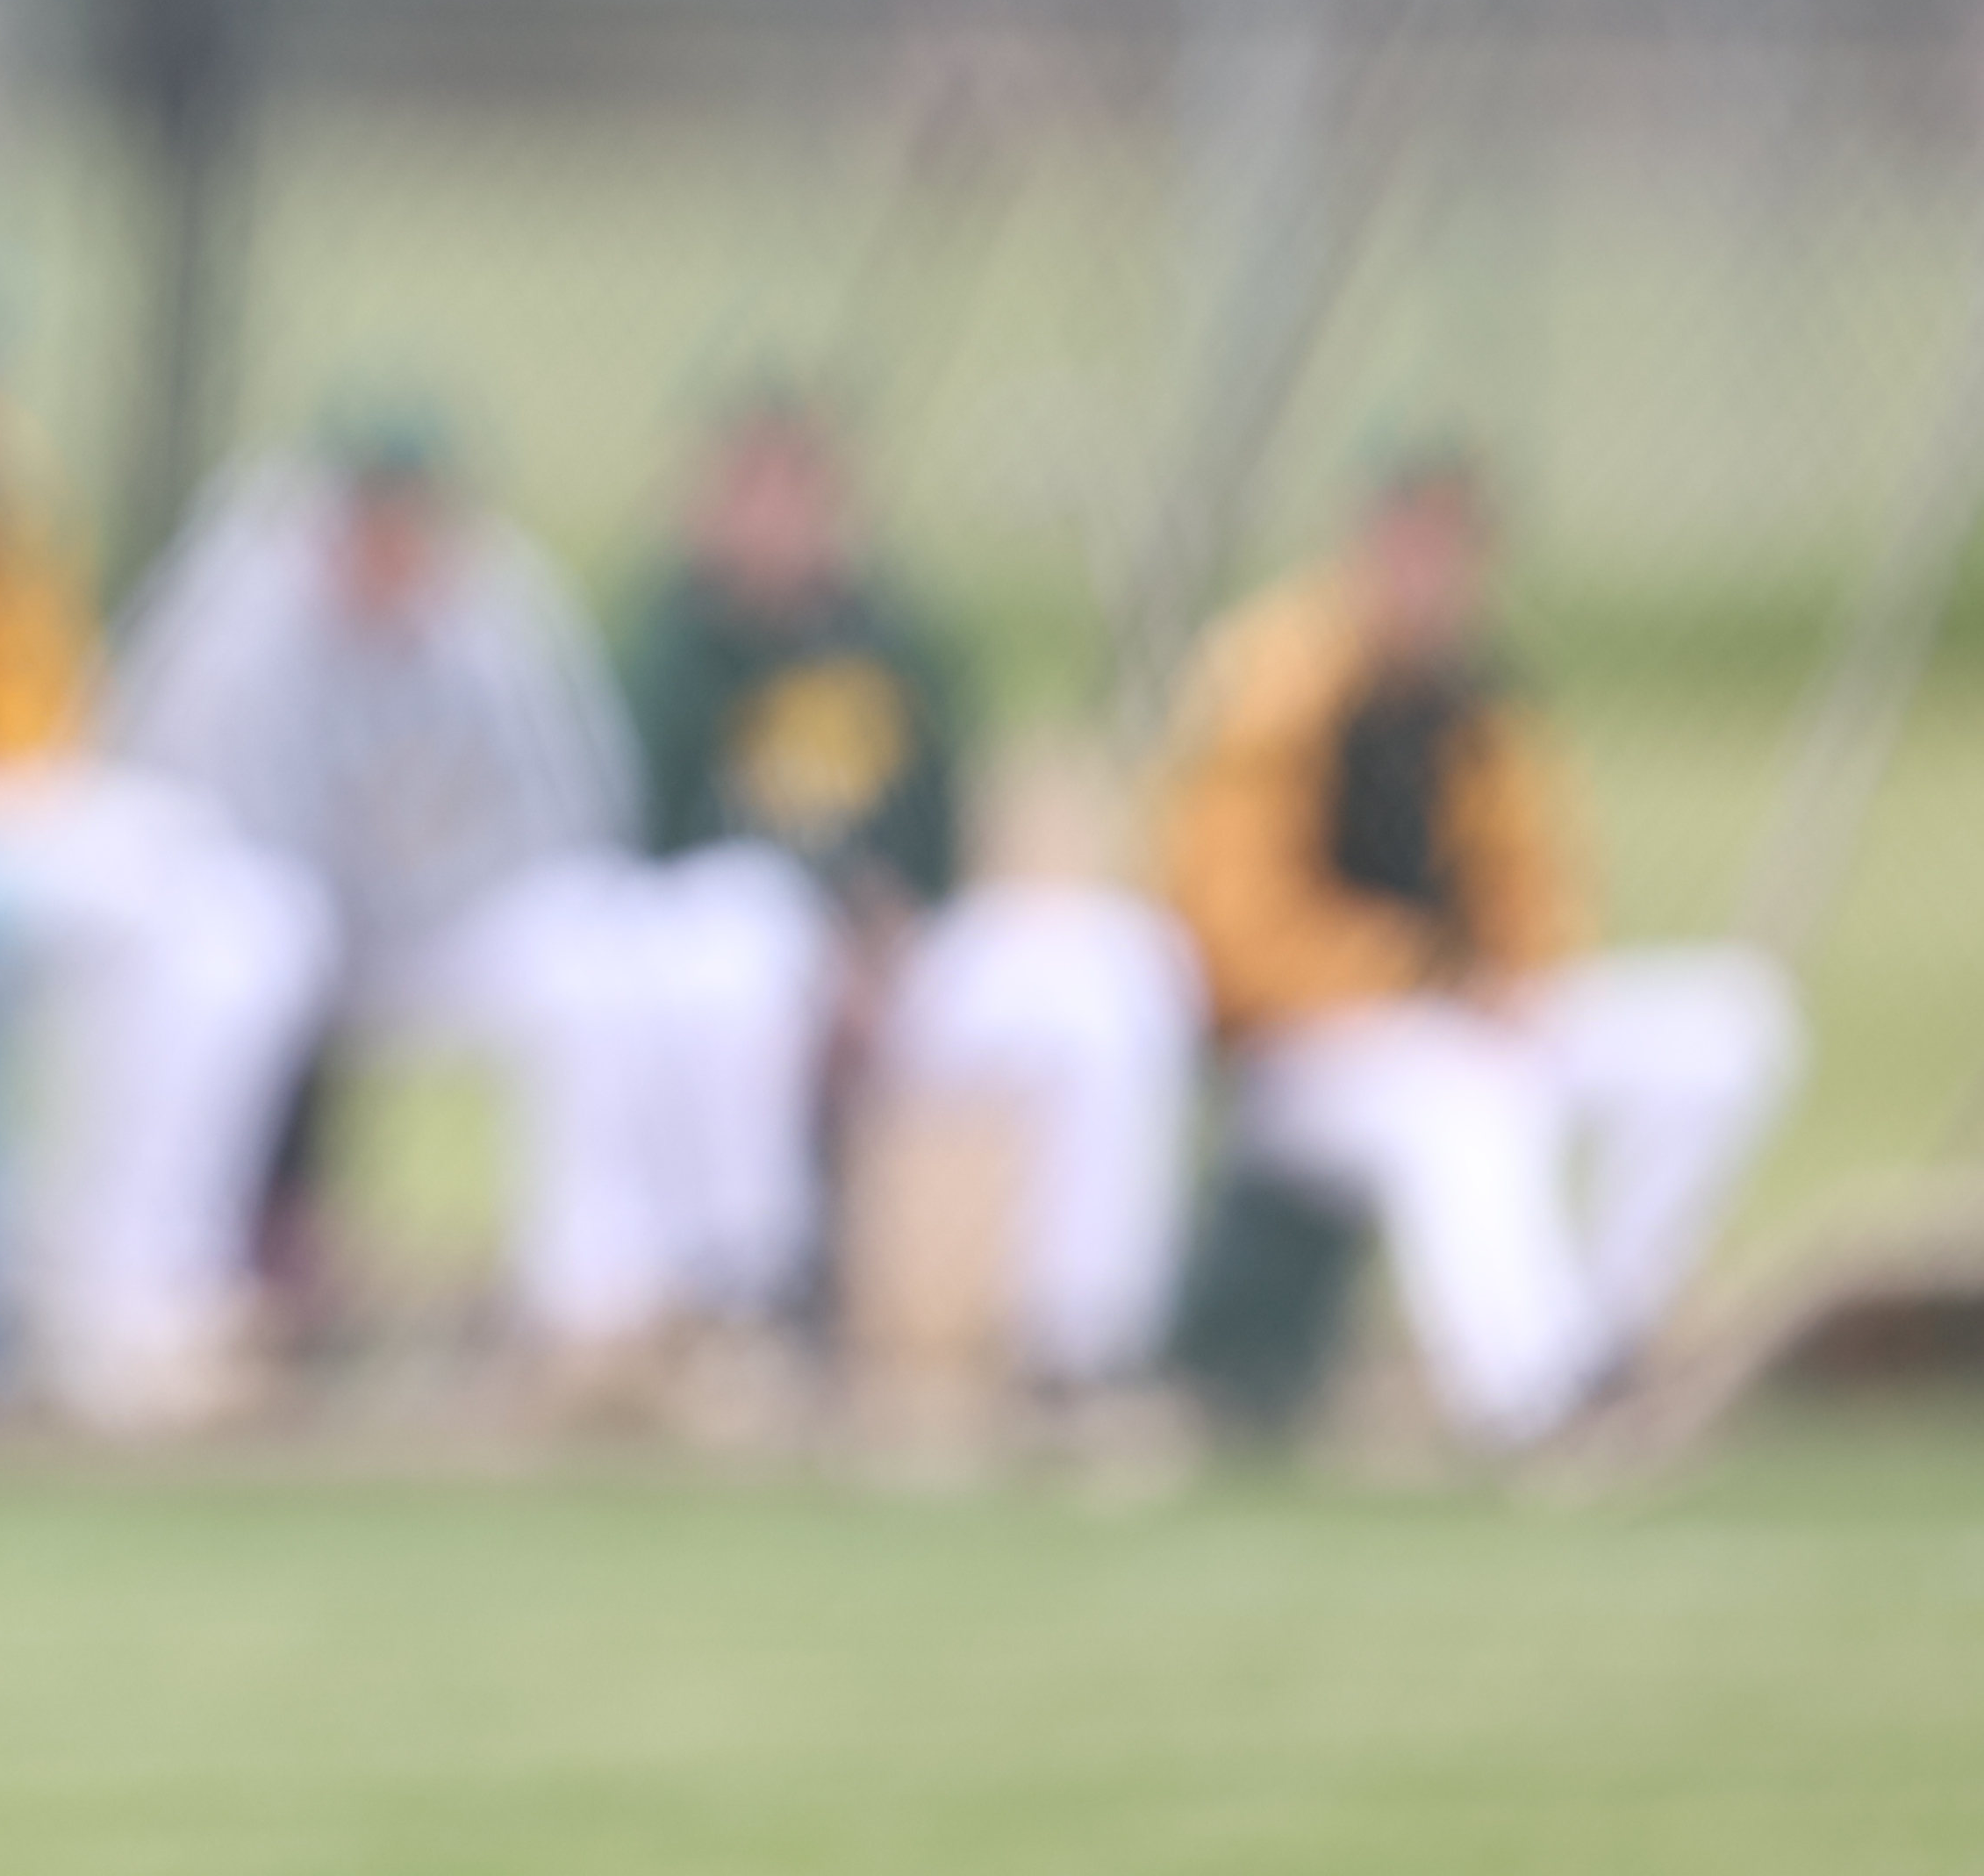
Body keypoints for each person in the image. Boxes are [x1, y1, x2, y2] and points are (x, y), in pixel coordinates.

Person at [1157, 450, 1802, 1451]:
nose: (1433, 574)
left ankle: (1610, 1337)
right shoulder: (1269, 682)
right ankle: (1533, 1398)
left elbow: (1536, 887)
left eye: (1455, 550)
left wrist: (1514, 983)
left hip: (1453, 1013)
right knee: (1463, 1097)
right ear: (1362, 546)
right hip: (1298, 1052)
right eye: (1412, 545)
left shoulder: (1478, 699)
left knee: (1730, 1024)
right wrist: (1427, 979)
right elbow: (1234, 938)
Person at [622, 393, 1199, 1405]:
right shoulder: (671, 651)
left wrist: (883, 941)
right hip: (738, 969)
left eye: (797, 491)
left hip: (903, 957)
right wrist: (825, 934)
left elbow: (941, 836)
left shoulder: (896, 639)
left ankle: (1085, 1338)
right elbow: (657, 848)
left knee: (1116, 967)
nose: (776, 520)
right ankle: (748, 1302)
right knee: (737, 941)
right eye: (753, 493)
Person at [0, 367, 331, 1431]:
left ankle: (134, 1286)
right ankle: (64, 1296)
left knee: (243, 920)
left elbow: (40, 707)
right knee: (154, 898)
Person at [103, 420, 670, 1373]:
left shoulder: (503, 616)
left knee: (585, 947)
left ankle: (598, 1299)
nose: (392, 545)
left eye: (412, 519)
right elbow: (198, 811)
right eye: (372, 517)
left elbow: (577, 812)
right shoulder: (246, 618)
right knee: (241, 942)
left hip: (441, 925)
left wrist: (429, 875)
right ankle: (152, 1293)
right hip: (292, 917)